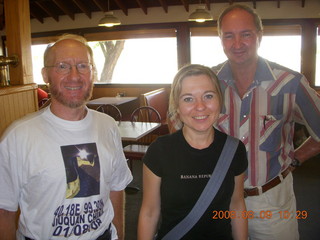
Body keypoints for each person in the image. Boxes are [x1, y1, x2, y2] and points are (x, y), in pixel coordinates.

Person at [0, 34, 132, 240]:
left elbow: (116, 187)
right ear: (45, 74)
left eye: (83, 66)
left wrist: (119, 235)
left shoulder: (108, 125)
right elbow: (4, 211)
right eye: (62, 66)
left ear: (92, 73)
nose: (74, 76)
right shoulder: (19, 135)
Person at [212, 4, 320, 240]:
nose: (237, 44)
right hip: (220, 200)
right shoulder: (209, 84)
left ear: (259, 36)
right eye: (228, 36)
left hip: (271, 203)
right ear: (220, 39)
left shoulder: (290, 83)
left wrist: (296, 158)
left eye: (246, 34)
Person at [138, 64, 248, 240]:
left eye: (208, 96)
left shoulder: (235, 150)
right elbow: (150, 211)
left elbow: (236, 205)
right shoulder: (160, 151)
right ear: (177, 107)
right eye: (188, 99)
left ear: (219, 100)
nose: (200, 106)